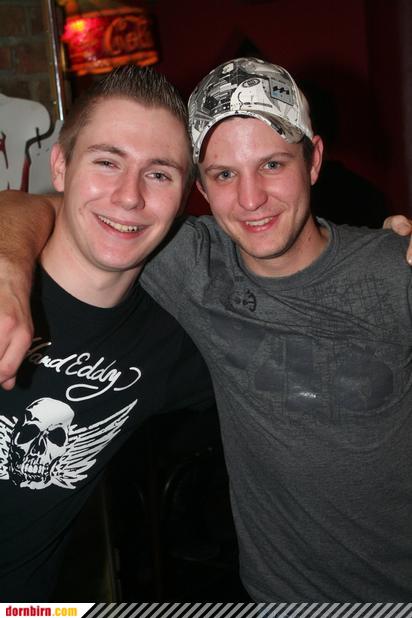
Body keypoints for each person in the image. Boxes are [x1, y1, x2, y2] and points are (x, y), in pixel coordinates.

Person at [0, 57, 411, 602]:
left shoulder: (390, 272)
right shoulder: (172, 261)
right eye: (223, 174)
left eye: (272, 164)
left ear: (314, 160)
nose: (250, 198)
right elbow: (40, 204)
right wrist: (7, 264)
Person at [0, 64, 213, 601]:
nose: (129, 196)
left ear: (185, 197)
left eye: (159, 174)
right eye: (107, 162)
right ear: (61, 166)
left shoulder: (172, 340)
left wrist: (388, 257)